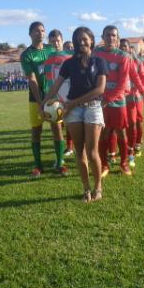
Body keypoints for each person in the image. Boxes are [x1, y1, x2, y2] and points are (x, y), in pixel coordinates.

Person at [43, 26, 107, 203]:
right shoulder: (68, 63)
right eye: (78, 39)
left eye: (85, 38)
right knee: (79, 152)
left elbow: (99, 89)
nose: (81, 42)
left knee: (92, 152)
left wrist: (73, 103)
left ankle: (98, 187)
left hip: (92, 108)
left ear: (91, 41)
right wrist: (43, 104)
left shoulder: (100, 63)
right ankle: (86, 189)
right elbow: (55, 86)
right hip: (73, 111)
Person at [20, 21, 67, 178]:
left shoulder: (52, 50)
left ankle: (60, 163)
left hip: (54, 98)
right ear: (30, 34)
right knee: (36, 131)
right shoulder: (27, 54)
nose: (40, 33)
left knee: (57, 129)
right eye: (36, 31)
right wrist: (41, 101)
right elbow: (32, 79)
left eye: (42, 30)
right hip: (36, 99)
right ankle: (38, 165)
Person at [93, 25, 135, 177]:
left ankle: (123, 163)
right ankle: (104, 165)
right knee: (103, 134)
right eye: (108, 35)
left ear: (117, 38)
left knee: (121, 133)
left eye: (113, 35)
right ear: (102, 37)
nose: (111, 38)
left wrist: (107, 99)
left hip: (118, 102)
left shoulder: (123, 56)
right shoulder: (95, 54)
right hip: (100, 102)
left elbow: (123, 84)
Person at [42, 29, 74, 169]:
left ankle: (82, 157)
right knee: (57, 130)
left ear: (62, 41)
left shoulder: (71, 56)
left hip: (73, 99)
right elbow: (48, 80)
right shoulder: (47, 59)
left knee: (76, 130)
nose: (55, 43)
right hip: (55, 100)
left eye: (58, 40)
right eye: (53, 41)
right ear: (49, 42)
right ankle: (60, 160)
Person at [119, 39, 144, 168]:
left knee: (136, 122)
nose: (122, 48)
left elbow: (142, 77)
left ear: (129, 48)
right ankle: (114, 152)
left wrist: (143, 91)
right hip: (120, 98)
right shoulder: (116, 60)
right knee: (120, 126)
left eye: (124, 46)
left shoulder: (136, 61)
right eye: (120, 46)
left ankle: (136, 146)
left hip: (134, 97)